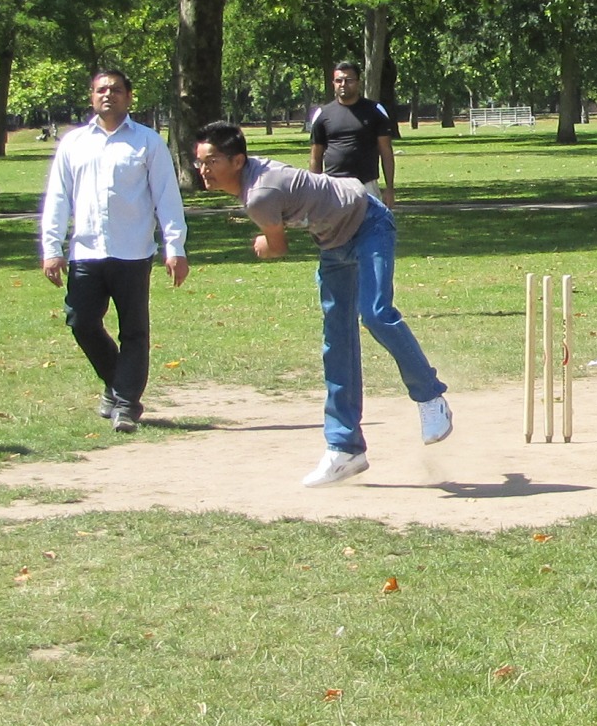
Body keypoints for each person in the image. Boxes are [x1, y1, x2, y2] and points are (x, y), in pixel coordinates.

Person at [193, 119, 452, 486]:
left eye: (211, 162)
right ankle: (345, 448)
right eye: (200, 162)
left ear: (237, 161)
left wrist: (264, 246)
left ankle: (431, 398)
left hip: (368, 223)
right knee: (337, 342)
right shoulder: (253, 178)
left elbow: (277, 247)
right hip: (332, 242)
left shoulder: (259, 196)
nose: (203, 171)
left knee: (376, 314)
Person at [39, 69, 188, 432]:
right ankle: (118, 385)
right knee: (81, 322)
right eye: (101, 90)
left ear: (129, 96)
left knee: (134, 331)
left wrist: (175, 247)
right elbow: (58, 197)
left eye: (116, 90)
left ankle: (124, 404)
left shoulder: (147, 142)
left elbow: (167, 197)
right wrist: (51, 246)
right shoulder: (74, 143)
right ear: (92, 97)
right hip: (86, 252)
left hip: (133, 251)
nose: (109, 95)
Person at [309, 62, 398, 207]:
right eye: (339, 80)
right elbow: (315, 156)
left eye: (349, 80)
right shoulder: (323, 114)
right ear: (333, 83)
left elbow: (386, 151)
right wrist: (314, 190)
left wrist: (389, 189)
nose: (343, 84)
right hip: (333, 186)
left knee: (368, 228)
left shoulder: (375, 110)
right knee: (335, 229)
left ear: (358, 82)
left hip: (366, 185)